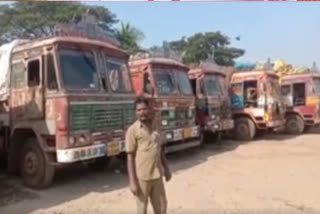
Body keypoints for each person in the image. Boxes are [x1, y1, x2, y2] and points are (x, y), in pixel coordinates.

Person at [126, 97, 172, 214]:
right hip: (142, 177)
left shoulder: (156, 127)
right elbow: (130, 156)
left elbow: (160, 150)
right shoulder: (133, 130)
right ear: (135, 112)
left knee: (161, 207)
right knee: (142, 209)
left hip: (157, 175)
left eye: (144, 109)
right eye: (139, 110)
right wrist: (132, 181)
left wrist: (167, 169)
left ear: (149, 110)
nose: (142, 112)